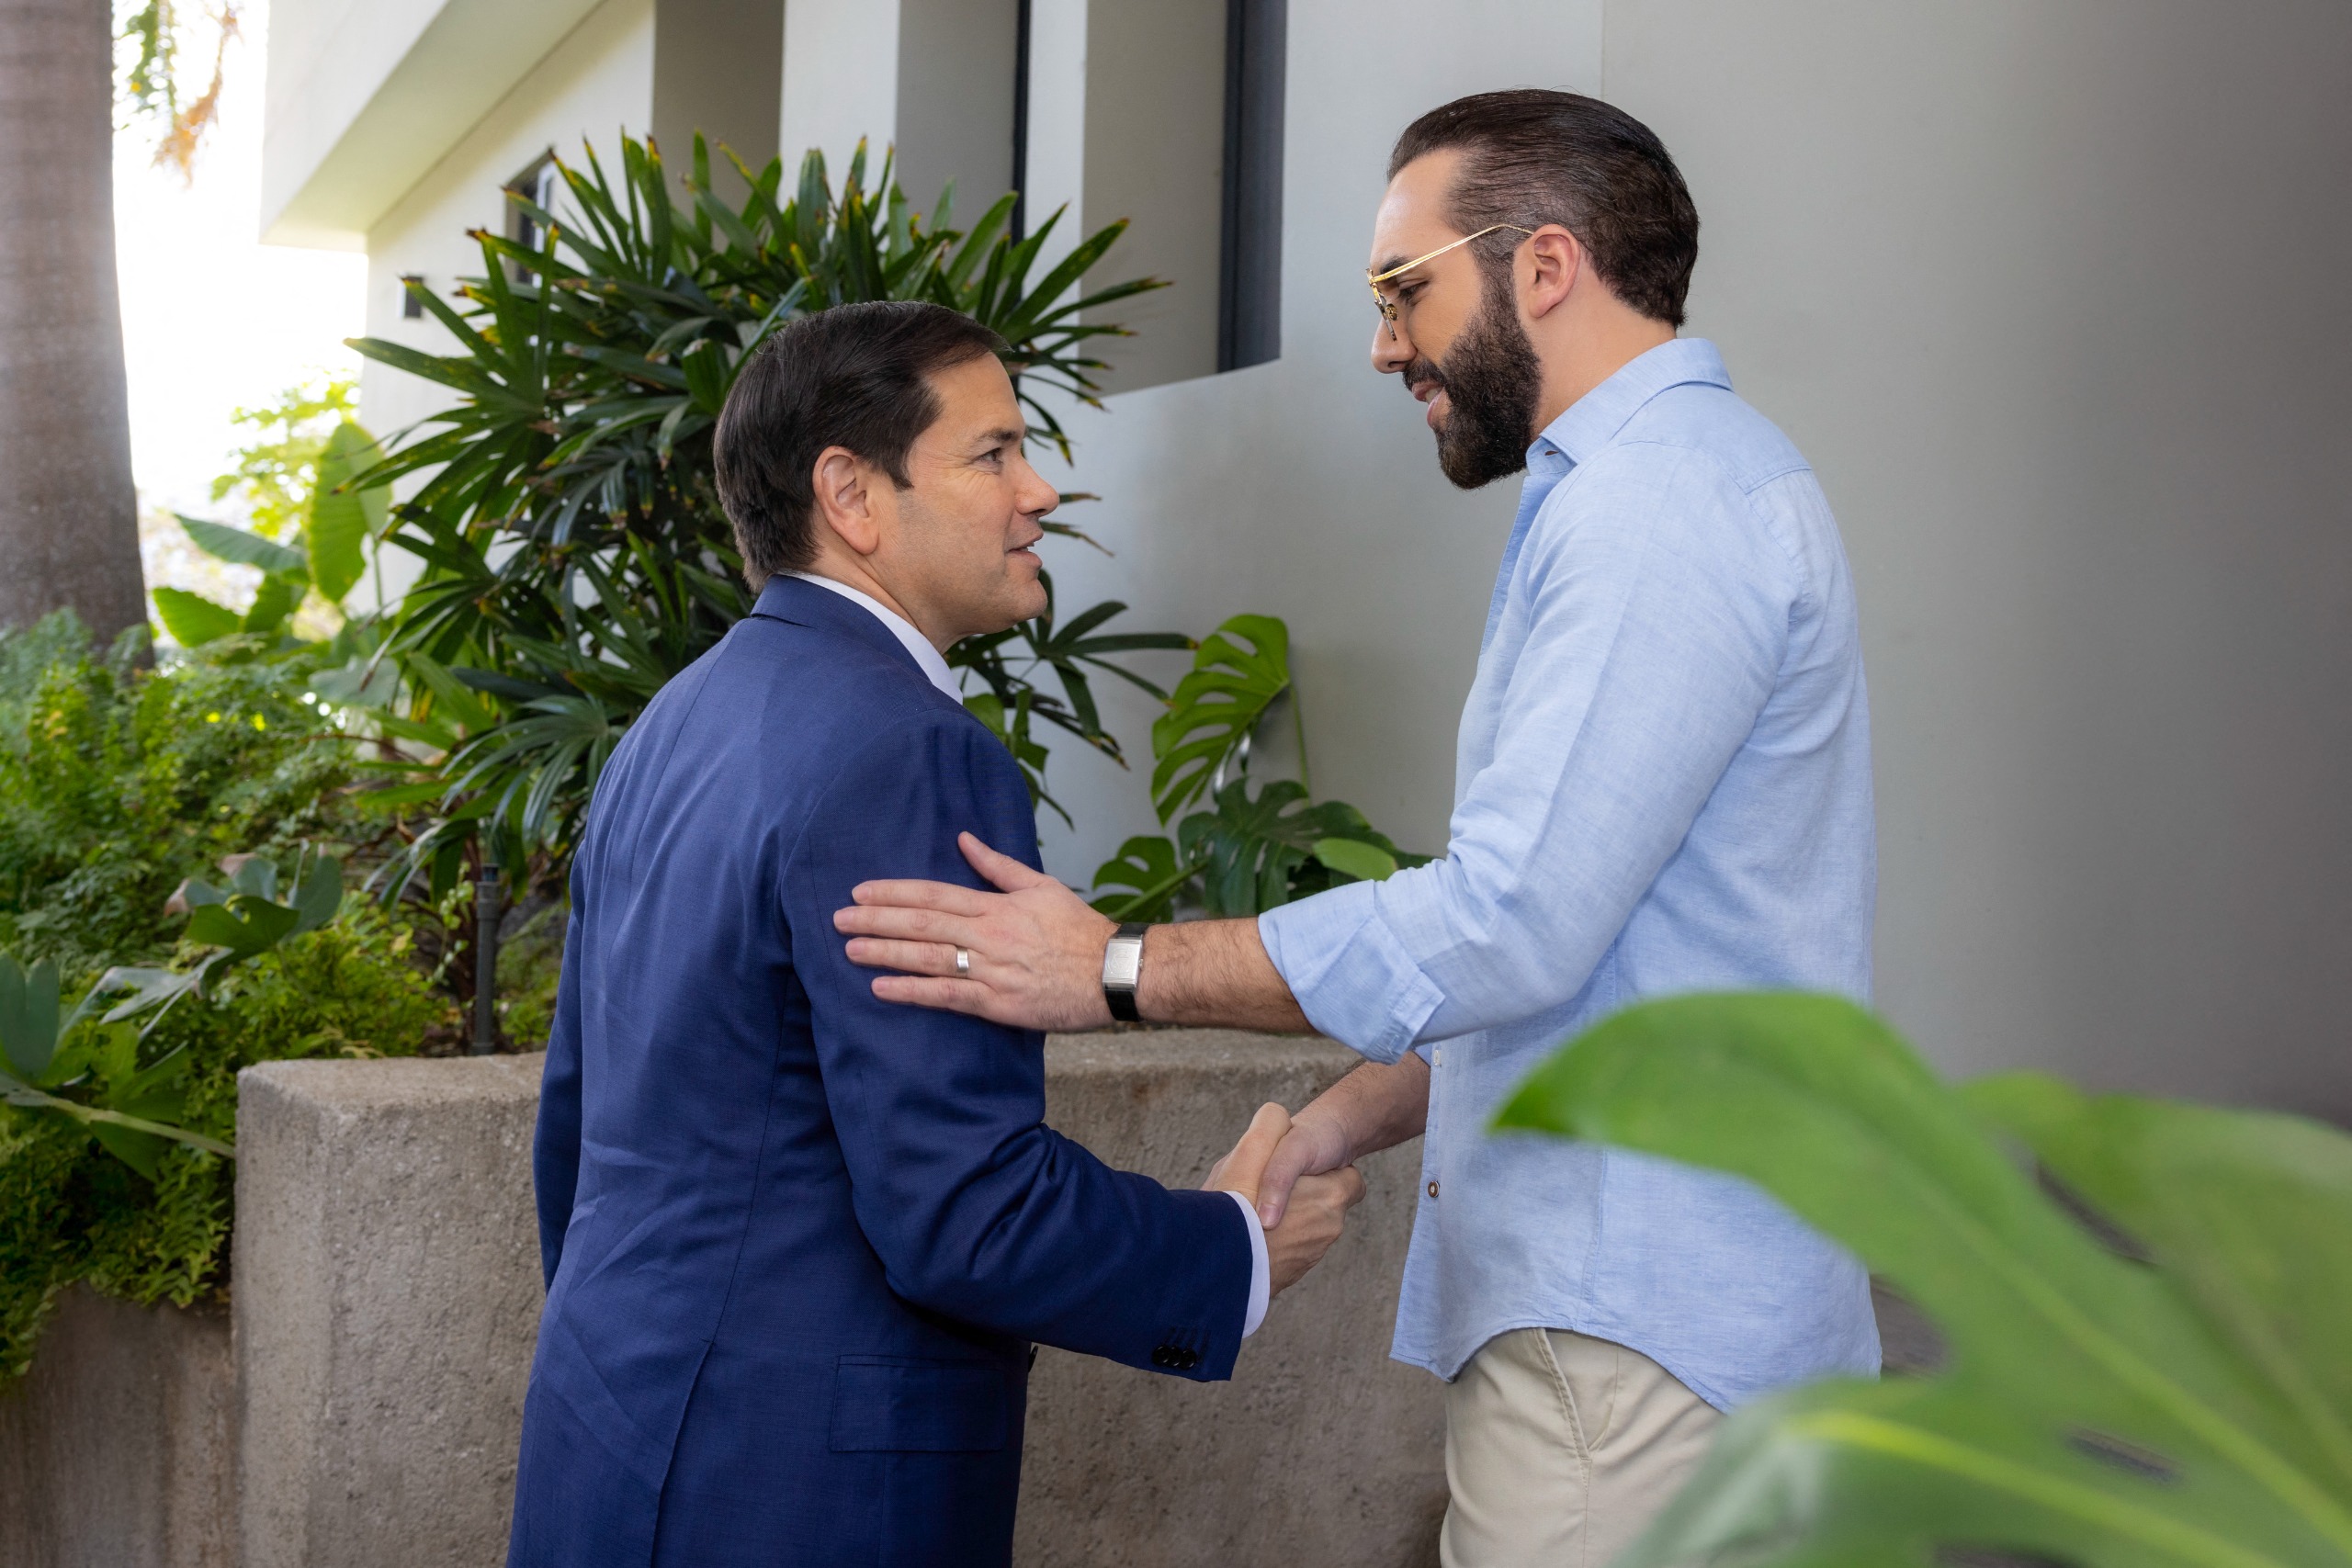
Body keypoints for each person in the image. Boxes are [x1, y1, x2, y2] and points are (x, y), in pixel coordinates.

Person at [833, 91, 1882, 1563]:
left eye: (1404, 292)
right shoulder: (1664, 492)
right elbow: (1598, 951)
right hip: (1658, 1335)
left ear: (1546, 268)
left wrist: (1115, 969)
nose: (1385, 344)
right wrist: (1342, 1118)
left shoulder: (1657, 511)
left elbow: (1510, 923)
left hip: (1631, 1350)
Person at [508, 299, 1365, 1568]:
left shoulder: (667, 729)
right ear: (851, 495)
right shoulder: (908, 753)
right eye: (994, 454)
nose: (1042, 491)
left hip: (609, 1437)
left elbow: (574, 1140)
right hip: (800, 1494)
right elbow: (961, 1211)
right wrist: (1225, 1248)